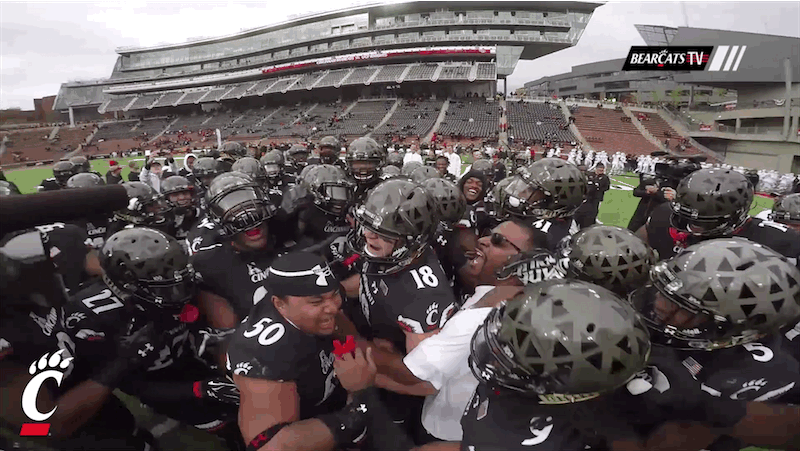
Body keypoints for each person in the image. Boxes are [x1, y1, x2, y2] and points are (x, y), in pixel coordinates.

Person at [228, 252, 414, 451]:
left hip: (338, 399)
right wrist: (359, 403)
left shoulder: (323, 299)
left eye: (334, 295)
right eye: (316, 302)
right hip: (318, 424)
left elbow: (355, 346)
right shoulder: (266, 355)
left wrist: (417, 377)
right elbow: (269, 447)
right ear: (279, 304)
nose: (333, 308)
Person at [637, 167, 800, 266]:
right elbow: (637, 250)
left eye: (706, 222)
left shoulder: (779, 242)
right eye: (688, 218)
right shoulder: (664, 213)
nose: (694, 227)